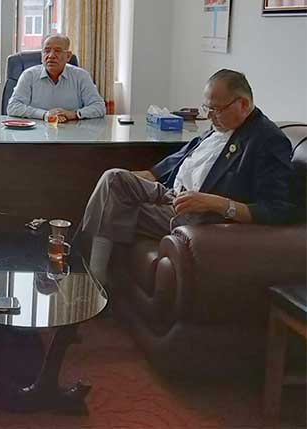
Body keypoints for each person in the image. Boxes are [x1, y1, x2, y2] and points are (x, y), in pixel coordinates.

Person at [76, 69, 295, 285]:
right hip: (172, 193)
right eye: (206, 108)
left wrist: (216, 203)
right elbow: (181, 159)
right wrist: (142, 177)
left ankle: (88, 275)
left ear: (243, 104)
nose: (209, 116)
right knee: (113, 178)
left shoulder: (267, 140)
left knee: (111, 207)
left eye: (215, 109)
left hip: (197, 213)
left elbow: (277, 210)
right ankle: (82, 267)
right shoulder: (220, 126)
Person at [7, 34, 106, 122]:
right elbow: (13, 107)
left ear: (68, 56)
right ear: (42, 55)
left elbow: (99, 107)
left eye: (57, 51)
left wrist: (75, 114)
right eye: (46, 51)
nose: (51, 56)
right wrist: (45, 115)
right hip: (36, 131)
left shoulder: (81, 76)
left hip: (72, 131)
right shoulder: (29, 75)